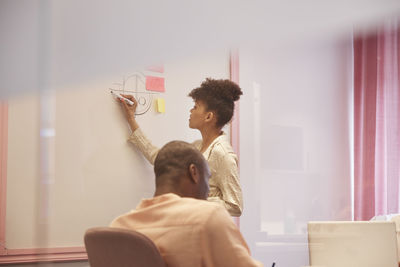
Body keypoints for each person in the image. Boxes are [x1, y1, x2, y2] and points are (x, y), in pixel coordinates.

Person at [110, 141, 262, 267]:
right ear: (194, 173)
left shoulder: (119, 227)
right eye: (207, 178)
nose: (208, 189)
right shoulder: (208, 217)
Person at [117, 78, 243, 217]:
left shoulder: (222, 154)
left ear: (208, 116)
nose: (191, 110)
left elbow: (235, 205)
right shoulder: (197, 146)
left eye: (195, 107)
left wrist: (193, 200)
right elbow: (161, 158)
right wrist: (131, 119)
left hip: (206, 229)